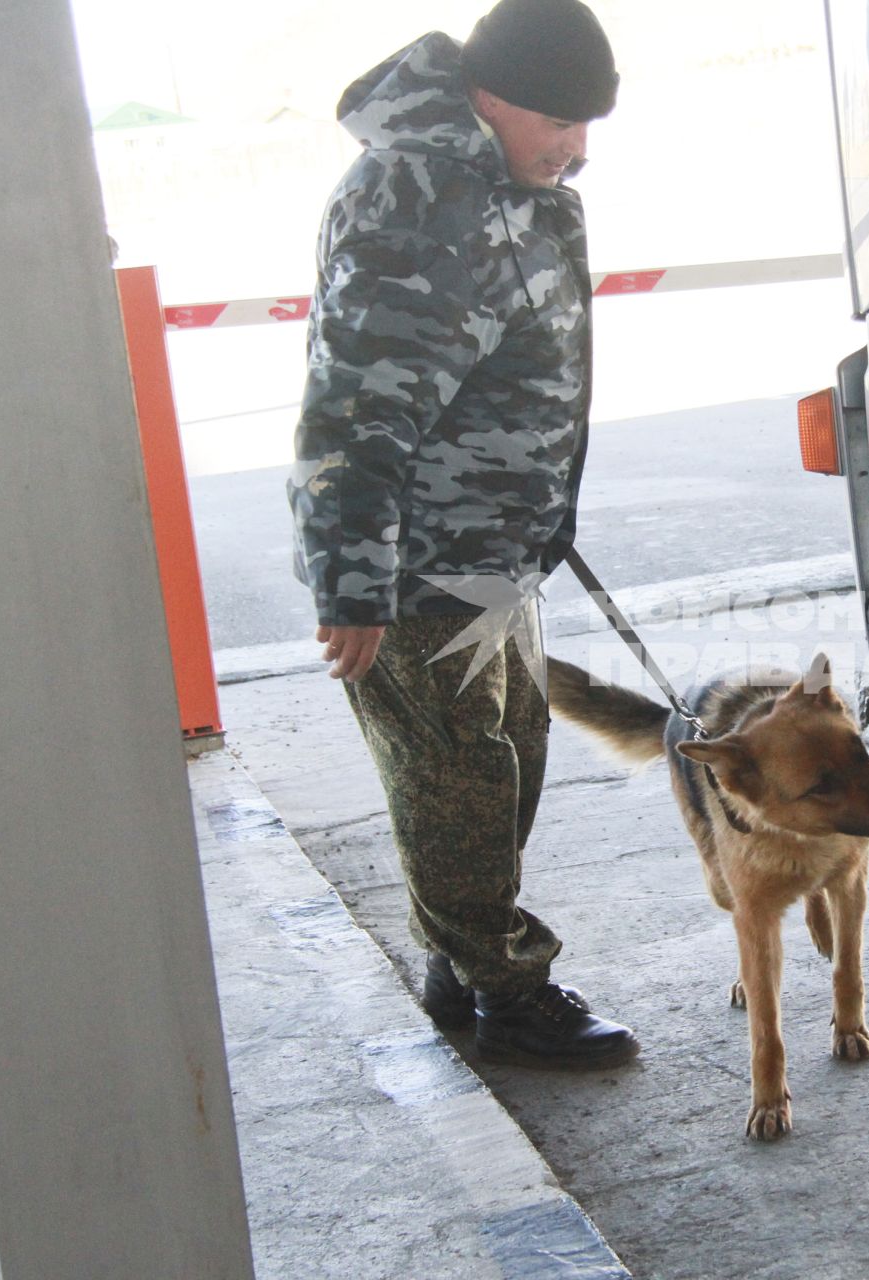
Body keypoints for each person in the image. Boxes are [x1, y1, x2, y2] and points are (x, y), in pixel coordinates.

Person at [287, 0, 636, 1068]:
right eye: (561, 122)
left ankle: (458, 951)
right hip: (413, 559)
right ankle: (510, 991)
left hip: (491, 554)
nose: (576, 150)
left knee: (510, 764)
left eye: (589, 127)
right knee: (457, 781)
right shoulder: (420, 198)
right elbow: (354, 406)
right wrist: (354, 581)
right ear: (494, 95)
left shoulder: (508, 185)